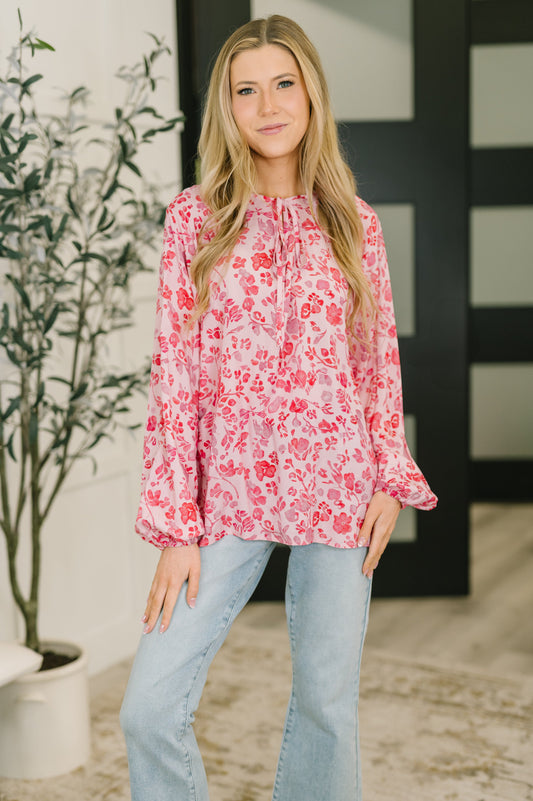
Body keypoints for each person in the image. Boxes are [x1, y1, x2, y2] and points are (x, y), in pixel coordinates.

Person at [120, 14, 437, 801]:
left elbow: (374, 362)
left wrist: (387, 477)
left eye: (283, 84)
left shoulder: (353, 224)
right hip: (228, 492)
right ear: (227, 107)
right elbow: (176, 378)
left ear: (310, 94)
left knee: (327, 708)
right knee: (148, 707)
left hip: (338, 485)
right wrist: (174, 526)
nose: (267, 105)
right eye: (246, 89)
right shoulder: (195, 219)